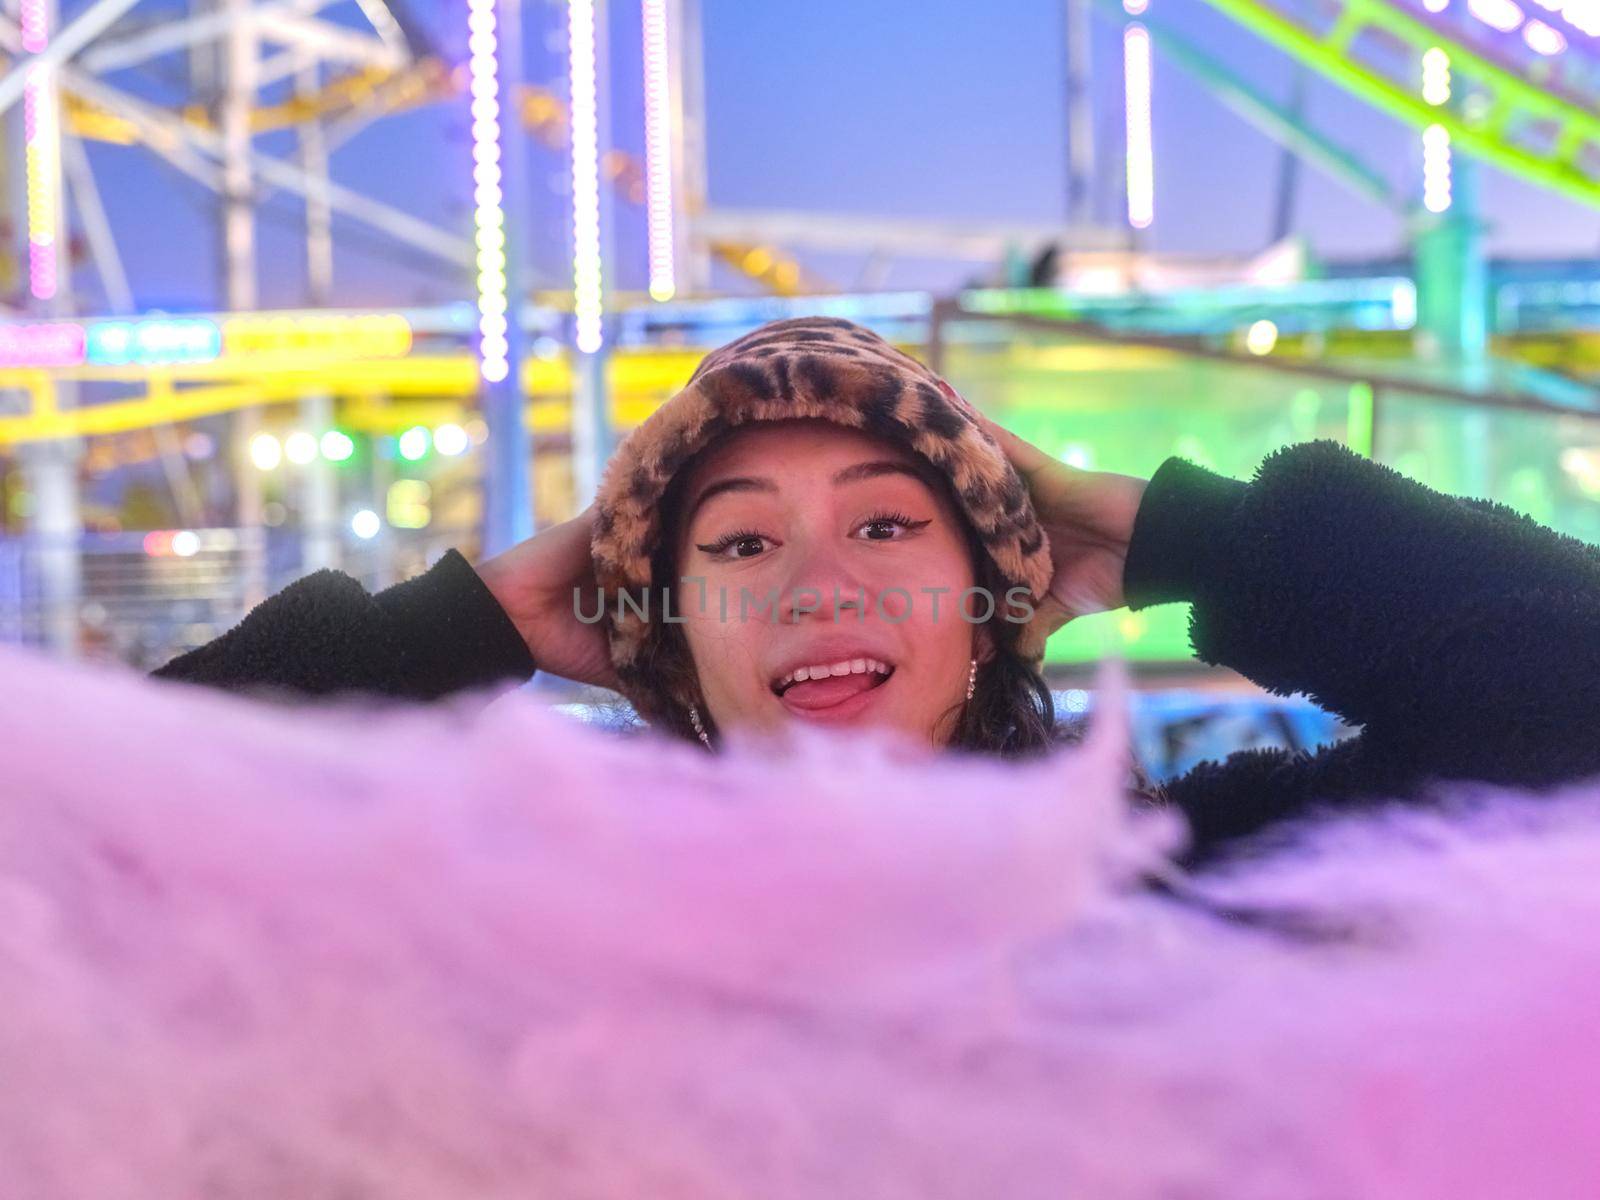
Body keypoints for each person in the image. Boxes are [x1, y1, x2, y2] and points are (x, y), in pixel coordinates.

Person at [153, 317, 1600, 869]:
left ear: (994, 604)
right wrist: (456, 626)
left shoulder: (1193, 882)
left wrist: (1185, 537)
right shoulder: (531, 912)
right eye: (738, 545)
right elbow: (66, 855)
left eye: (890, 526)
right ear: (660, 631)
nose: (817, 585)